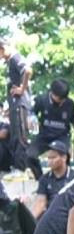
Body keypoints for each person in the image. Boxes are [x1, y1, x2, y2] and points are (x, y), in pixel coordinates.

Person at [26, 79, 74, 180]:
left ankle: (63, 182)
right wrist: (30, 121)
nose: (61, 101)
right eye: (59, 99)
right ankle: (41, 180)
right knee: (30, 155)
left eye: (64, 99)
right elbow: (31, 113)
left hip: (62, 136)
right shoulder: (41, 100)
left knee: (64, 157)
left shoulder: (70, 104)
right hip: (45, 135)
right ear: (52, 93)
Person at [1, 39, 32, 172]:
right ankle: (19, 168)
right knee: (15, 137)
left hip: (20, 104)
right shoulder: (9, 63)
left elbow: (28, 70)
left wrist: (22, 88)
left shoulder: (15, 57)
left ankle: (22, 169)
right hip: (14, 106)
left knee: (20, 138)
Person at [28, 140, 74, 219]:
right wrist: (29, 221)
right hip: (51, 217)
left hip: (70, 217)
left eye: (53, 157)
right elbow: (40, 202)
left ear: (64, 158)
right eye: (48, 158)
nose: (49, 161)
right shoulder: (44, 178)